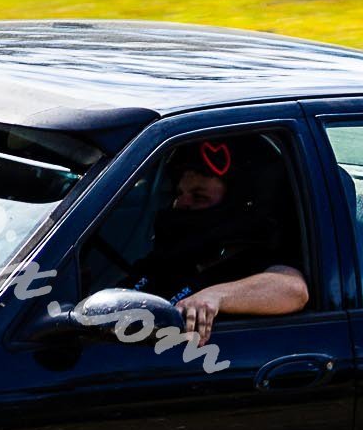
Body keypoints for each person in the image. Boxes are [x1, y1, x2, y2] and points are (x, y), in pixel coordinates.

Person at [121, 139, 309, 344]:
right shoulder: (164, 260)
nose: (181, 203)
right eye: (179, 193)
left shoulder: (249, 263)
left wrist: (216, 297)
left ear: (236, 204)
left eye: (199, 197)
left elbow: (294, 289)